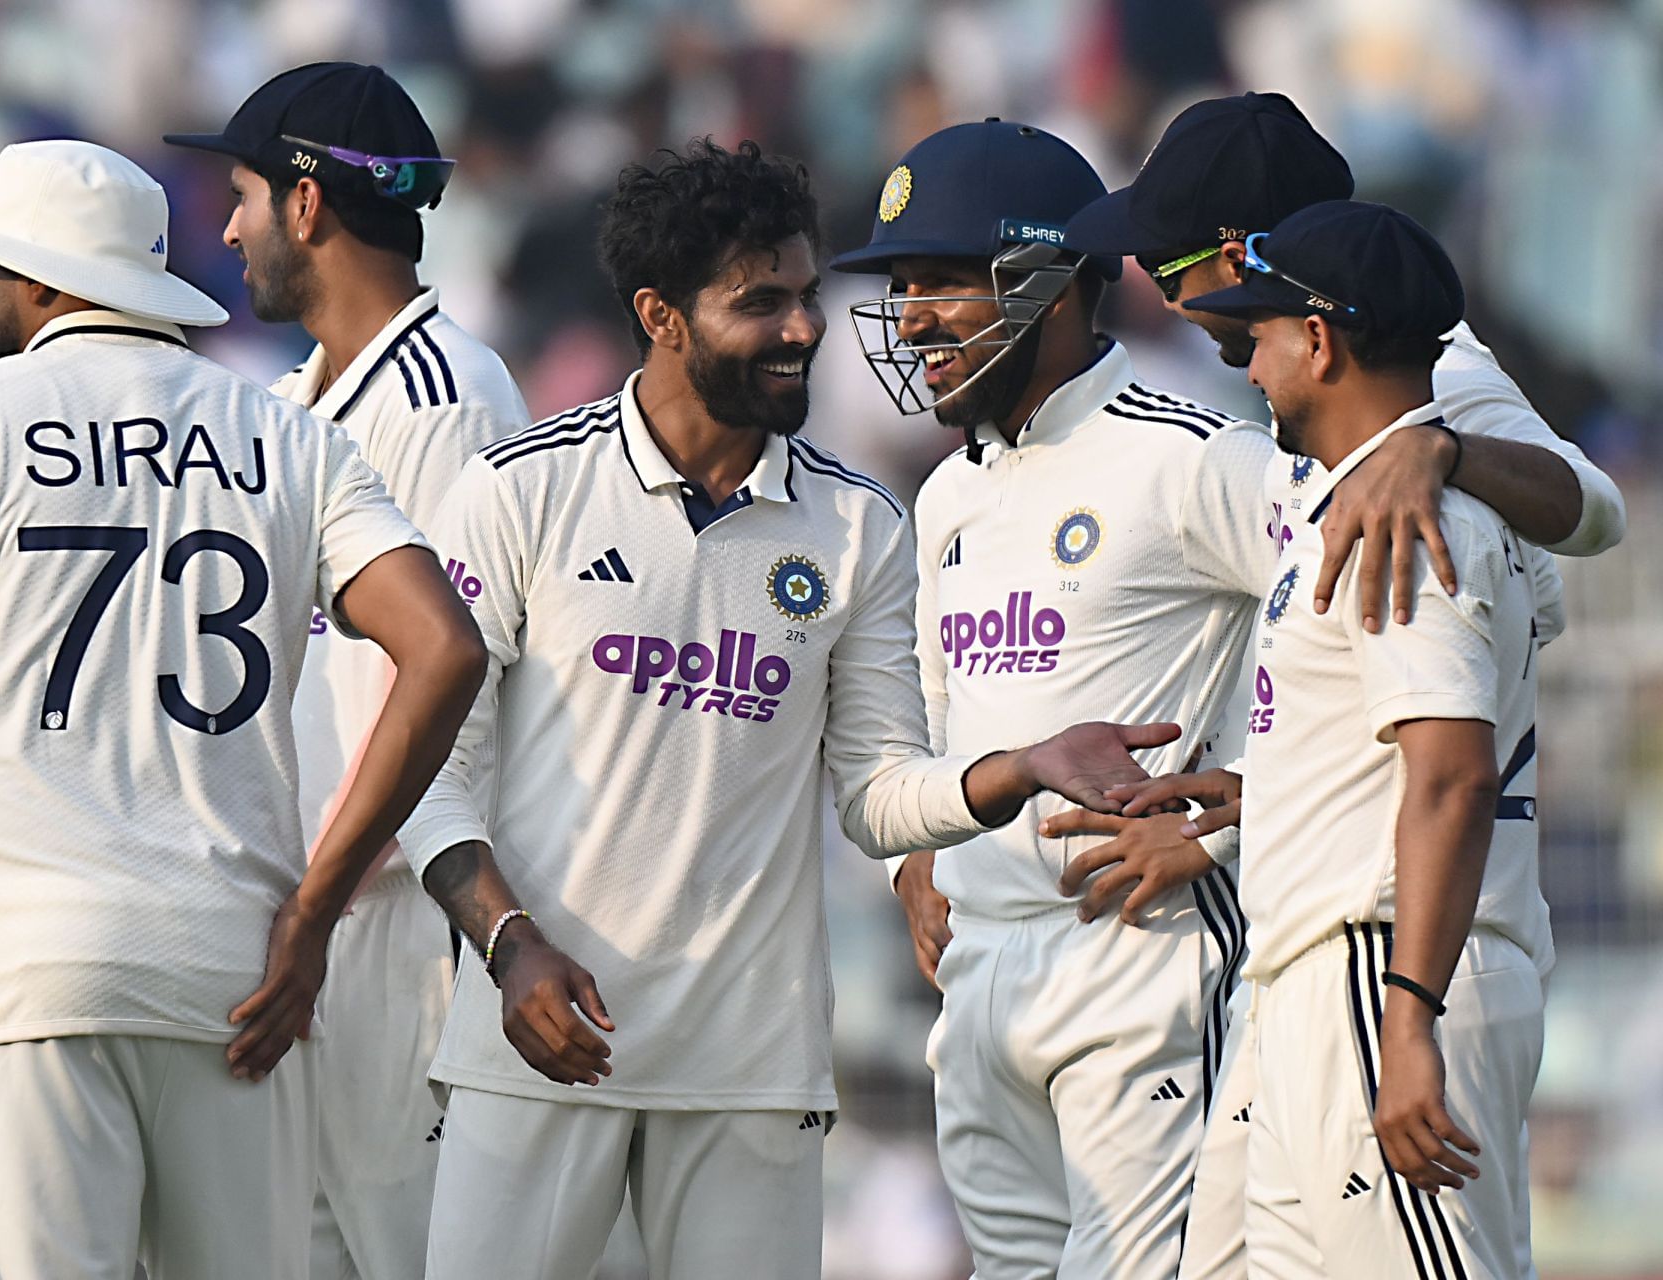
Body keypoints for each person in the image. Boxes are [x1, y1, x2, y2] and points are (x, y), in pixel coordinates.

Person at [394, 137, 1174, 1280]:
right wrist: (510, 947)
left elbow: (876, 793)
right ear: (661, 315)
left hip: (751, 1069)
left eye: (807, 294)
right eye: (761, 302)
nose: (805, 328)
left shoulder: (858, 525)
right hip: (539, 1044)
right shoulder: (524, 489)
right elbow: (430, 773)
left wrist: (1017, 765)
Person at [0, 139, 486, 1280]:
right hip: (236, 971)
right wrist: (316, 908)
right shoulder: (293, 435)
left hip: (20, 977)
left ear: (44, 283)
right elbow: (445, 648)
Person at [1058, 91, 1627, 1280]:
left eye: (1173, 262)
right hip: (1321, 945)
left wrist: (1442, 449)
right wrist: (1254, 807)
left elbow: (1589, 521)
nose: (1165, 296)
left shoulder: (1426, 407)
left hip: (1391, 951)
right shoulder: (1326, 444)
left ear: (1251, 265)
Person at [834, 118, 1277, 1277]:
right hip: (980, 971)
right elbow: (929, 723)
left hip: (1142, 959)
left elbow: (1380, 635)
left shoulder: (1193, 454)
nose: (913, 315)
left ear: (1054, 281)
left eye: (942, 279)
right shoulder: (943, 498)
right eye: (898, 283)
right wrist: (912, 864)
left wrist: (1245, 817)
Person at [1127, 199, 1552, 1277]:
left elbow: (1453, 777)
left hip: (1381, 970)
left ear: (1319, 340)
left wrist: (1407, 1016)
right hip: (1318, 978)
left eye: (1263, 334)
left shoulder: (1415, 518)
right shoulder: (1354, 502)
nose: (1252, 365)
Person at [167, 61, 532, 1280]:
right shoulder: (289, 401)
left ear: (309, 203)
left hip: (395, 928)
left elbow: (449, 688)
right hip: (305, 927)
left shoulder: (447, 400)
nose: (225, 226)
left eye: (243, 194)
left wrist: (320, 905)